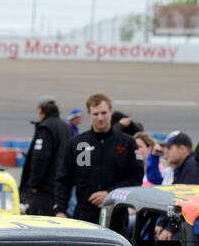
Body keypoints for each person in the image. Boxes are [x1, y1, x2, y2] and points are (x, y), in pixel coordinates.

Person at [54, 92, 144, 222]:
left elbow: (136, 177)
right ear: (89, 114)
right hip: (85, 215)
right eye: (95, 114)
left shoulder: (126, 142)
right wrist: (60, 210)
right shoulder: (78, 143)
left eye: (104, 113)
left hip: (116, 214)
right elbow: (63, 179)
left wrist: (110, 193)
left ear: (111, 112)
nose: (100, 118)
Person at [21, 95, 71, 215]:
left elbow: (40, 158)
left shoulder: (46, 128)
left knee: (39, 224)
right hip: (60, 187)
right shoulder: (65, 127)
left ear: (41, 110)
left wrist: (33, 184)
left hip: (44, 189)